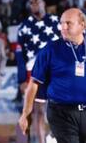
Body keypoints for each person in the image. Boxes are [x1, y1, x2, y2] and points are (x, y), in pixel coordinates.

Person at [18, 8, 86, 142]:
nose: (63, 27)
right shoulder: (50, 50)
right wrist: (25, 113)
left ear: (82, 25)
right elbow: (34, 83)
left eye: (68, 23)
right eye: (62, 23)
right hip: (61, 113)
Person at [17, 0, 60, 143]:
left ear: (44, 3)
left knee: (59, 109)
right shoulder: (24, 26)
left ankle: (54, 137)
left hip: (56, 73)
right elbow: (20, 55)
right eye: (31, 1)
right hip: (34, 72)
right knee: (39, 112)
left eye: (37, 1)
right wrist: (22, 79)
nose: (34, 3)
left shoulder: (57, 22)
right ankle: (41, 141)